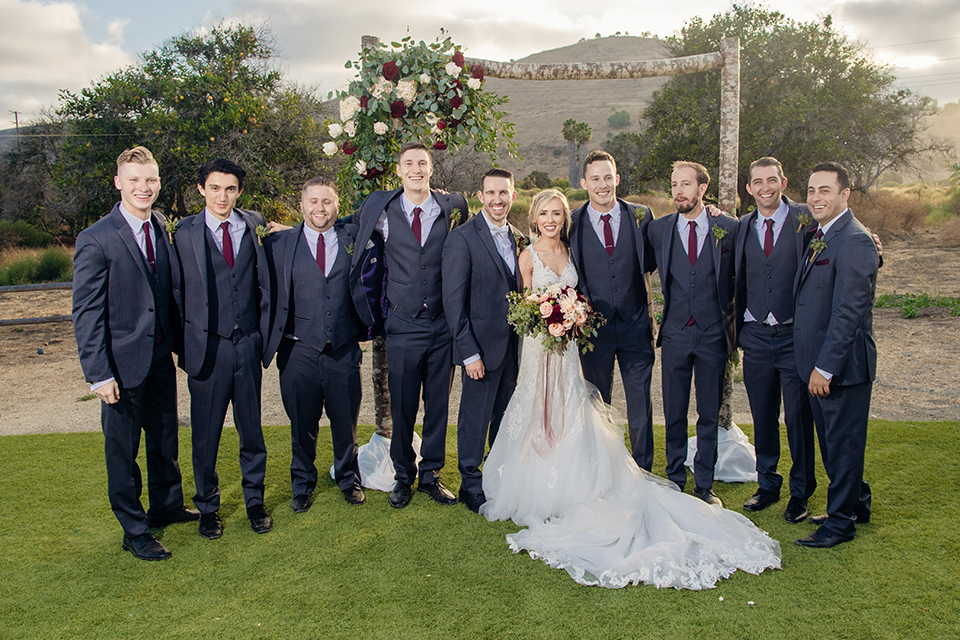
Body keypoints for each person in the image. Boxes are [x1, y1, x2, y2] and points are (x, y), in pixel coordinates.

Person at [481, 189, 780, 589]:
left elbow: (584, 290)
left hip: (570, 346)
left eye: (557, 213)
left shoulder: (573, 250)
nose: (551, 219)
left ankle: (586, 480)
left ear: (563, 219)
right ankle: (537, 484)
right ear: (534, 218)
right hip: (540, 349)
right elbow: (522, 304)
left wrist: (572, 316)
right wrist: (543, 320)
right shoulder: (527, 255)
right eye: (544, 214)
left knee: (574, 408)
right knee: (539, 406)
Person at [72, 146, 198, 561]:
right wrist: (99, 374)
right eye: (135, 180)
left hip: (160, 356)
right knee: (122, 451)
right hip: (121, 366)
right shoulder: (96, 238)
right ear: (118, 183)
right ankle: (134, 528)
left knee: (165, 439)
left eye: (151, 180)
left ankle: (167, 505)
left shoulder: (160, 224)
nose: (143, 188)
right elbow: (86, 313)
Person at [346, 143, 469, 508]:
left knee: (437, 406)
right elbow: (347, 228)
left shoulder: (453, 207)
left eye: (422, 163)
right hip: (402, 323)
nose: (416, 169)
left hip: (442, 324)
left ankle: (431, 475)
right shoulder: (380, 208)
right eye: (409, 164)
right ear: (398, 171)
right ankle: (404, 476)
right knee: (402, 406)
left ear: (431, 169)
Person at [171, 158, 272, 539]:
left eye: (230, 188)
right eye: (215, 188)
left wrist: (260, 335)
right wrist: (188, 345)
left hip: (246, 345)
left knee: (252, 431)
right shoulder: (182, 232)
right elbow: (176, 293)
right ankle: (208, 507)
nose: (222, 196)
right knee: (205, 435)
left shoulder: (255, 224)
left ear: (239, 191)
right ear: (202, 189)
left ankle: (254, 502)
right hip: (206, 350)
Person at [263, 177, 365, 511]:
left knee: (345, 422)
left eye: (327, 202)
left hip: (343, 349)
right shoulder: (279, 243)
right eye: (313, 201)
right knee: (302, 424)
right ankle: (302, 484)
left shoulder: (353, 238)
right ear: (301, 204)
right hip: (298, 351)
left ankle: (348, 479)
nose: (319, 208)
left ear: (338, 206)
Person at [793, 162, 877, 548]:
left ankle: (840, 523)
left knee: (841, 445)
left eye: (825, 190)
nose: (816, 197)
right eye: (811, 190)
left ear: (845, 194)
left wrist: (824, 368)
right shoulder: (822, 233)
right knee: (835, 443)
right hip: (818, 363)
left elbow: (848, 313)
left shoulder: (855, 240)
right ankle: (857, 502)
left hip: (841, 369)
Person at [648, 161, 739, 506]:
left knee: (708, 411)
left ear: (702, 189)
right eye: (674, 185)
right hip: (674, 334)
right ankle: (674, 478)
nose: (678, 192)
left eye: (686, 184)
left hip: (714, 333)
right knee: (673, 410)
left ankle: (704, 483)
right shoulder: (658, 230)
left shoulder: (728, 228)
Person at [735, 157, 817, 523]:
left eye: (772, 180)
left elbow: (844, 237)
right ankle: (768, 483)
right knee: (762, 414)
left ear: (783, 182)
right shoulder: (741, 226)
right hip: (754, 335)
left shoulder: (806, 219)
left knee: (798, 417)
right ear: (749, 188)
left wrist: (873, 249)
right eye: (758, 182)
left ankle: (800, 492)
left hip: (792, 335)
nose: (765, 187)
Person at [569, 151, 658, 471]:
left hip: (635, 323)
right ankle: (600, 468)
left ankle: (643, 469)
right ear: (584, 183)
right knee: (596, 402)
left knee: (640, 404)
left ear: (617, 178)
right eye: (595, 179)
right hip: (594, 330)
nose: (603, 184)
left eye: (608, 177)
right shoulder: (573, 222)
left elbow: (652, 258)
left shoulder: (641, 216)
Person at [442, 169, 523, 513]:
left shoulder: (519, 237)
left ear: (513, 195)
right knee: (474, 418)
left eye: (503, 193)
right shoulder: (462, 239)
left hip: (513, 349)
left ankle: (497, 475)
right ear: (480, 195)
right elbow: (453, 302)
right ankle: (470, 483)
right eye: (491, 193)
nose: (497, 200)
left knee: (504, 417)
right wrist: (469, 352)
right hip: (480, 349)